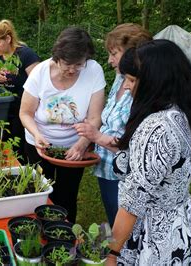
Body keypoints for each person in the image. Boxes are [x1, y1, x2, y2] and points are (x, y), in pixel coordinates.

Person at [106, 39, 191, 265]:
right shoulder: (182, 114)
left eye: (132, 79)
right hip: (177, 224)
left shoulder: (157, 129)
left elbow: (133, 201)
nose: (127, 86)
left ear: (154, 82)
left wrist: (111, 253)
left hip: (151, 233)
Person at [19, 27, 106, 223]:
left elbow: (94, 117)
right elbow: (25, 113)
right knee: (40, 192)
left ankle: (65, 238)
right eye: (67, 64)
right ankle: (39, 230)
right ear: (57, 57)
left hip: (74, 147)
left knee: (67, 195)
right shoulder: (39, 73)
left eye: (79, 64)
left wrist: (82, 144)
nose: (73, 70)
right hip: (39, 145)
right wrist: (37, 134)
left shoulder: (93, 71)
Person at [73, 23, 152, 226]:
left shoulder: (146, 88)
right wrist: (91, 141)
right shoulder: (120, 79)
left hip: (128, 175)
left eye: (114, 53)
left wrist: (98, 137)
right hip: (107, 167)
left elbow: (139, 143)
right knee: (114, 218)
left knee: (130, 228)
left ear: (133, 53)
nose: (109, 60)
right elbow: (109, 119)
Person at [0, 19, 40, 162]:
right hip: (2, 107)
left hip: (22, 109)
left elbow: (39, 83)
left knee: (19, 147)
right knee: (2, 142)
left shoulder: (26, 55)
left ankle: (22, 170)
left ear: (8, 38)